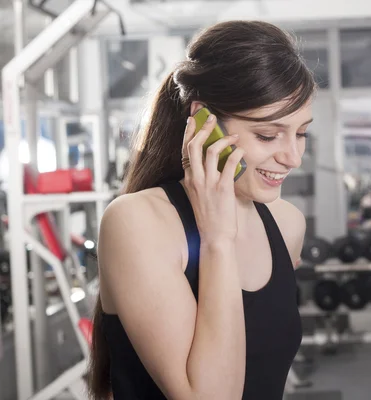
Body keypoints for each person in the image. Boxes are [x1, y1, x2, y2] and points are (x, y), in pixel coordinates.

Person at [88, 20, 316, 400]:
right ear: (204, 122)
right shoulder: (136, 222)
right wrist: (217, 240)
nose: (292, 156)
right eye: (267, 135)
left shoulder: (287, 223)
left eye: (302, 133)